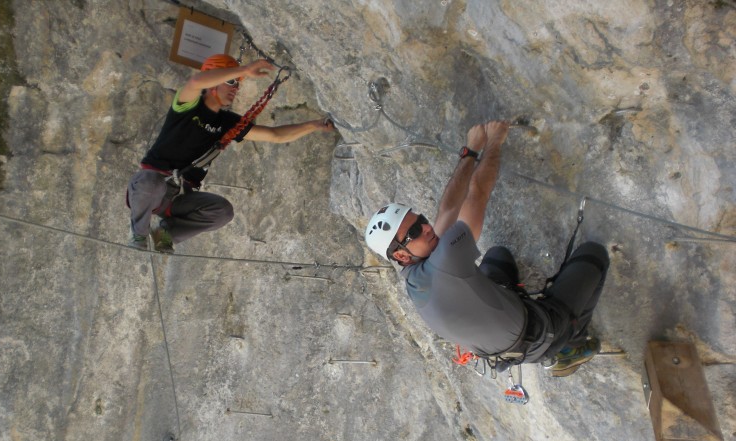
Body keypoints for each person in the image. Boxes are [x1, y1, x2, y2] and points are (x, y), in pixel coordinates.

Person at [364, 120, 609, 376]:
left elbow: (448, 208)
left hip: (502, 339)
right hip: (539, 335)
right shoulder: (442, 263)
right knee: (594, 255)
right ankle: (569, 346)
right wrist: (494, 141)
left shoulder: (417, 271)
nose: (426, 228)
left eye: (421, 220)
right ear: (401, 255)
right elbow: (478, 193)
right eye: (414, 232)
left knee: (497, 256)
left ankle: (526, 314)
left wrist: (470, 151)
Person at [127, 54, 335, 253]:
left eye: (238, 84)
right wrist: (243, 69)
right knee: (151, 183)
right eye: (231, 82)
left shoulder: (227, 123)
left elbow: (275, 135)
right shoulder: (188, 106)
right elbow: (196, 82)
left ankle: (165, 234)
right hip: (150, 186)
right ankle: (139, 233)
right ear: (213, 81)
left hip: (179, 198)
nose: (236, 88)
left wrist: (313, 125)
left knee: (222, 211)